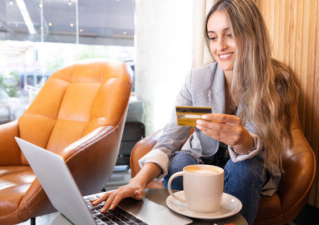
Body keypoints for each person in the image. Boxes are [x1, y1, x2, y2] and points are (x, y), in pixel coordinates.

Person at [92, 0, 299, 224]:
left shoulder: (275, 82)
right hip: (204, 161)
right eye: (212, 37)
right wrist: (137, 181)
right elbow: (170, 140)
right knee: (180, 162)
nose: (219, 46)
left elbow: (264, 145)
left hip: (248, 167)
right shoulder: (197, 80)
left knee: (246, 169)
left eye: (229, 35)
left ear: (251, 34)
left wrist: (243, 141)